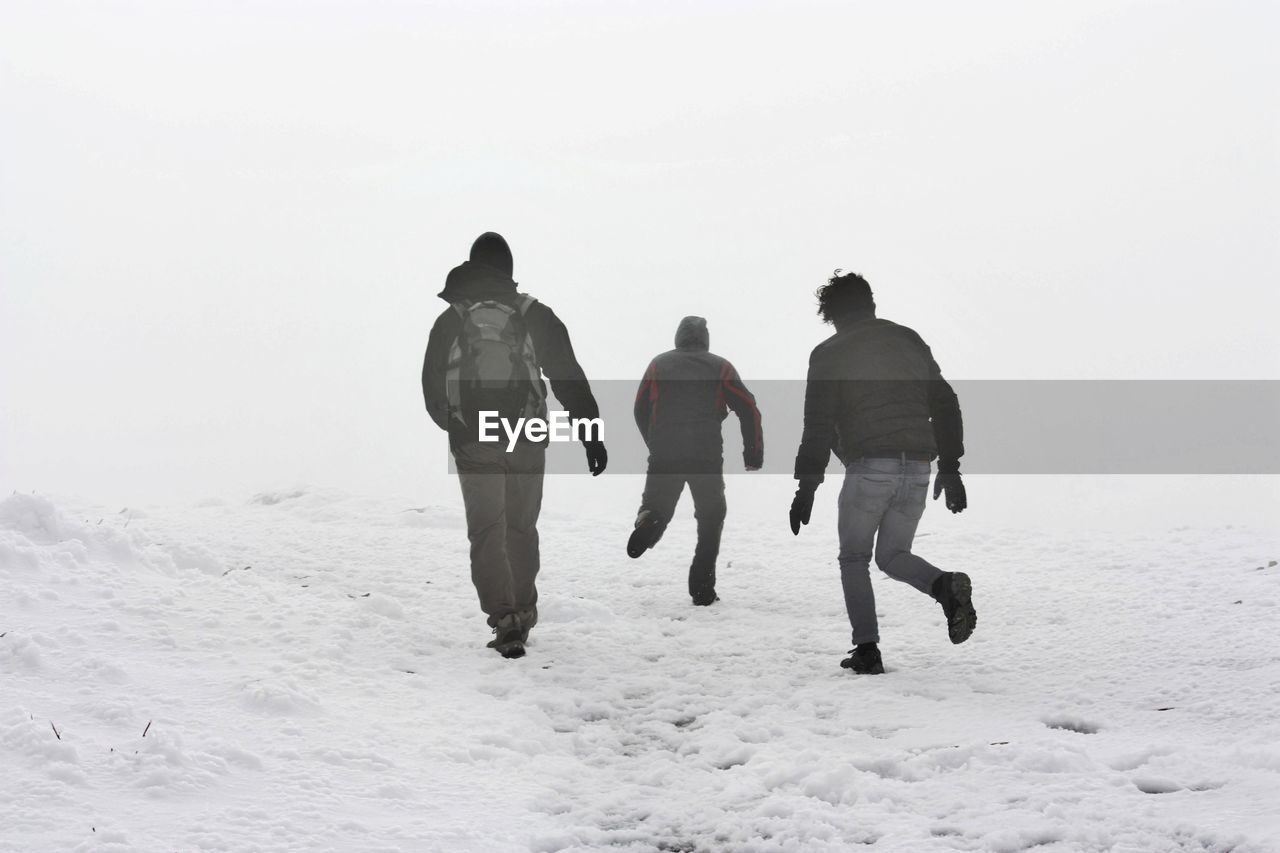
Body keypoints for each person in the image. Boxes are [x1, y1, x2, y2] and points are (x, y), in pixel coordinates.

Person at [422, 232, 607, 659]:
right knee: (521, 529)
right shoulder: (533, 314)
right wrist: (590, 433)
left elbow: (432, 386)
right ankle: (523, 614)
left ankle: (504, 622)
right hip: (527, 434)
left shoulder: (452, 318)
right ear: (508, 269)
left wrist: (459, 429)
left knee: (487, 531)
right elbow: (567, 377)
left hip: (475, 439)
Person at [789, 271, 974, 674]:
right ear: (871, 304)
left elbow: (817, 423)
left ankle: (867, 650)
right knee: (892, 556)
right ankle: (944, 586)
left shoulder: (829, 352)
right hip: (919, 467)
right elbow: (945, 403)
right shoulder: (908, 339)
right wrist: (951, 468)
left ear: (832, 315)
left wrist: (806, 486)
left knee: (854, 557)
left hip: (870, 465)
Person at [628, 316, 764, 606]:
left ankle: (648, 521)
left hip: (665, 453)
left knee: (657, 506)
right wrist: (753, 454)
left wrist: (654, 443)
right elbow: (748, 408)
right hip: (706, 455)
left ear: (678, 336)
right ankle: (702, 589)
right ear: (705, 338)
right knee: (711, 516)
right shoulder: (720, 366)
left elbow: (639, 408)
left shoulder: (658, 364)